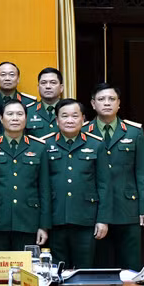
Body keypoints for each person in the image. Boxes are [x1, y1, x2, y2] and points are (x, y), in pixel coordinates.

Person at [82, 83, 144, 270]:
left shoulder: (134, 132)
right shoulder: (83, 132)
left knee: (130, 266)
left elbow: (142, 172)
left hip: (127, 207)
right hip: (94, 209)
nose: (106, 103)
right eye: (101, 99)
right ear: (93, 104)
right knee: (99, 265)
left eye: (111, 99)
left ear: (119, 104)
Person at [43, 99, 109, 268]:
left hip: (86, 219)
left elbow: (104, 184)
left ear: (83, 119)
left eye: (74, 116)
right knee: (57, 272)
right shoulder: (45, 144)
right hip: (55, 218)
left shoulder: (96, 144)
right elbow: (41, 186)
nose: (70, 120)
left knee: (84, 270)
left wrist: (103, 220)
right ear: (57, 120)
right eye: (64, 116)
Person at [0, 100, 50, 251]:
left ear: (26, 118)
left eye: (20, 114)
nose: (15, 118)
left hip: (28, 221)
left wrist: (44, 226)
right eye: (10, 114)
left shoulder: (39, 147)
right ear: (1, 118)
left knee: (27, 272)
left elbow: (44, 189)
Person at [25, 67, 64, 137]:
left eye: (53, 83)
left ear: (61, 88)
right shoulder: (27, 111)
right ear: (38, 88)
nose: (48, 86)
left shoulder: (71, 111)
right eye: (43, 83)